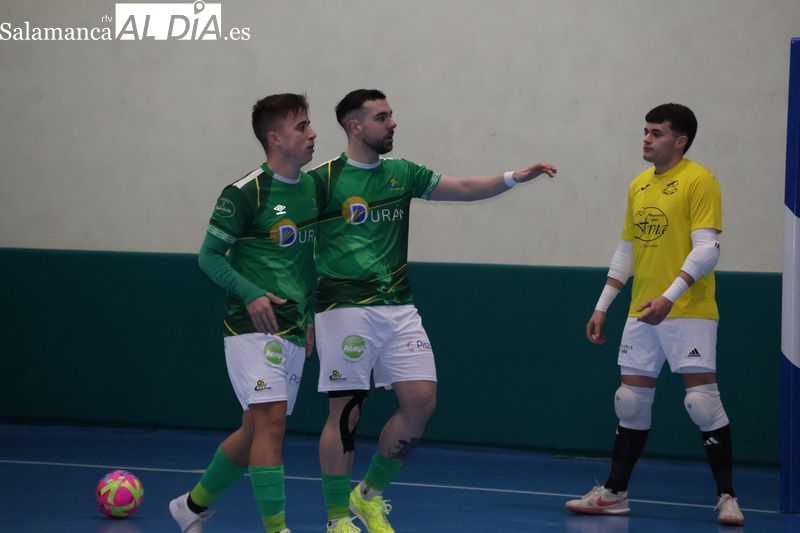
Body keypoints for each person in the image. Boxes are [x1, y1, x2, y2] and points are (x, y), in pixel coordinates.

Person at [309, 89, 557, 533]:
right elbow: (288, 239)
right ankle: (336, 518)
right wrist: (298, 312)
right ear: (354, 127)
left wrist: (514, 177)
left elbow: (463, 188)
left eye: (391, 114)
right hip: (343, 309)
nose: (392, 123)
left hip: (399, 307)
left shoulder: (402, 173)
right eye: (382, 117)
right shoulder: (321, 181)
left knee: (421, 402)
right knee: (346, 413)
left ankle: (368, 495)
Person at [564, 103, 744, 526]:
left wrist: (670, 296)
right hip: (641, 311)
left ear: (680, 141)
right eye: (645, 131)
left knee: (702, 403)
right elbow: (627, 249)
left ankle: (727, 497)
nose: (646, 138)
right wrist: (602, 306)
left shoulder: (700, 180)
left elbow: (707, 249)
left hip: (688, 311)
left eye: (656, 132)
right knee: (629, 402)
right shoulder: (639, 185)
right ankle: (615, 493)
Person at [168, 93, 321, 533]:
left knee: (255, 429)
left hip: (293, 328)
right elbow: (209, 256)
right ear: (275, 138)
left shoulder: (313, 189)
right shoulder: (243, 192)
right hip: (250, 328)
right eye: (302, 126)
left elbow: (307, 262)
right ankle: (277, 528)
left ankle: (190, 506)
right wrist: (250, 292)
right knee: (271, 423)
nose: (312, 134)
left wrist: (310, 317)